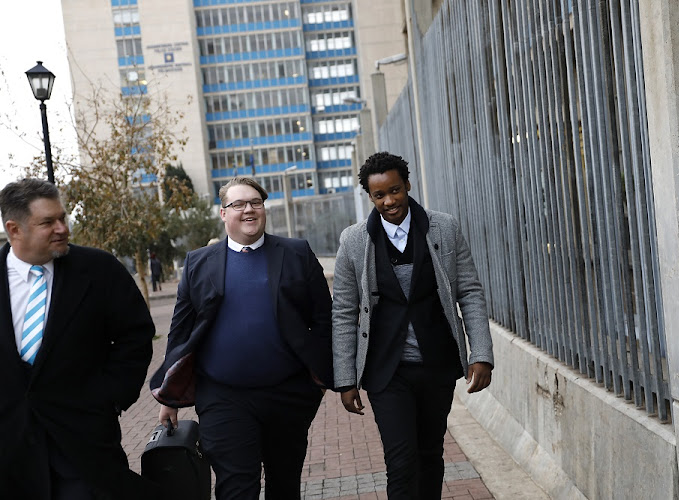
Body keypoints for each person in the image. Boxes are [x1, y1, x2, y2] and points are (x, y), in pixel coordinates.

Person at [150, 176, 333, 500]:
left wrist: (319, 380)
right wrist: (169, 397)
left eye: (255, 203)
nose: (248, 210)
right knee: (236, 489)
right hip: (223, 398)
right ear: (223, 213)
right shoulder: (197, 263)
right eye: (238, 204)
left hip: (288, 396)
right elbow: (179, 331)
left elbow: (323, 317)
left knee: (284, 486)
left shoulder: (296, 253)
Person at [332, 152, 494, 499]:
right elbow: (344, 311)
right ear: (370, 197)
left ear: (407, 185)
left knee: (430, 454)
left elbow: (469, 291)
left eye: (394, 190)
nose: (389, 201)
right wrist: (345, 378)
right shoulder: (354, 241)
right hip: (385, 371)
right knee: (401, 461)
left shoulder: (444, 227)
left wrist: (481, 352)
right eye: (379, 195)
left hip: (436, 363)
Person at [0, 178, 156, 499]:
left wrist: (110, 398)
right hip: (10, 452)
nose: (62, 228)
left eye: (62, 218)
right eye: (48, 222)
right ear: (14, 229)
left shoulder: (99, 269)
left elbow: (135, 336)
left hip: (84, 445)